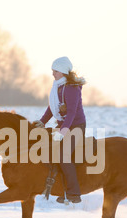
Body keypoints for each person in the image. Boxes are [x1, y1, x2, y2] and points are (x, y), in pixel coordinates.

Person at [33, 56, 87, 204]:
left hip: (76, 126)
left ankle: (74, 194)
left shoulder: (71, 88)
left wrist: (62, 133)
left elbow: (71, 113)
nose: (53, 74)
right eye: (52, 71)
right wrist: (42, 122)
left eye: (55, 71)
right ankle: (59, 187)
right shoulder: (57, 86)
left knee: (63, 155)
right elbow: (52, 108)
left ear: (63, 72)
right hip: (64, 125)